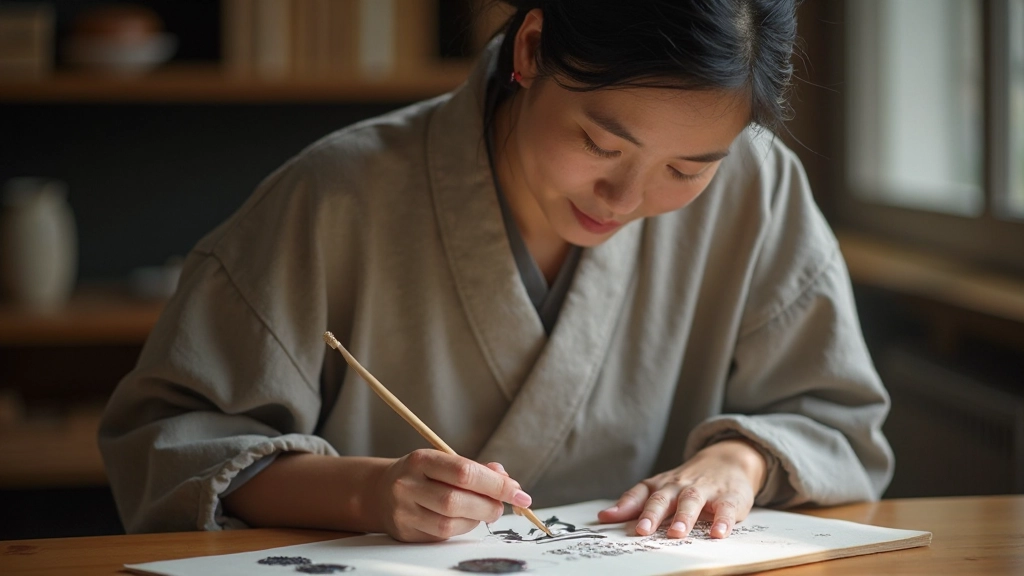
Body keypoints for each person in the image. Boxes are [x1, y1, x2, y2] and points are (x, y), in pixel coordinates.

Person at [99, 0, 894, 544]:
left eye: (686, 170)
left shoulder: (759, 188)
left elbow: (837, 422)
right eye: (600, 144)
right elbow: (171, 447)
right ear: (531, 49)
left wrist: (738, 462)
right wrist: (368, 493)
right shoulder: (333, 196)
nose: (626, 198)